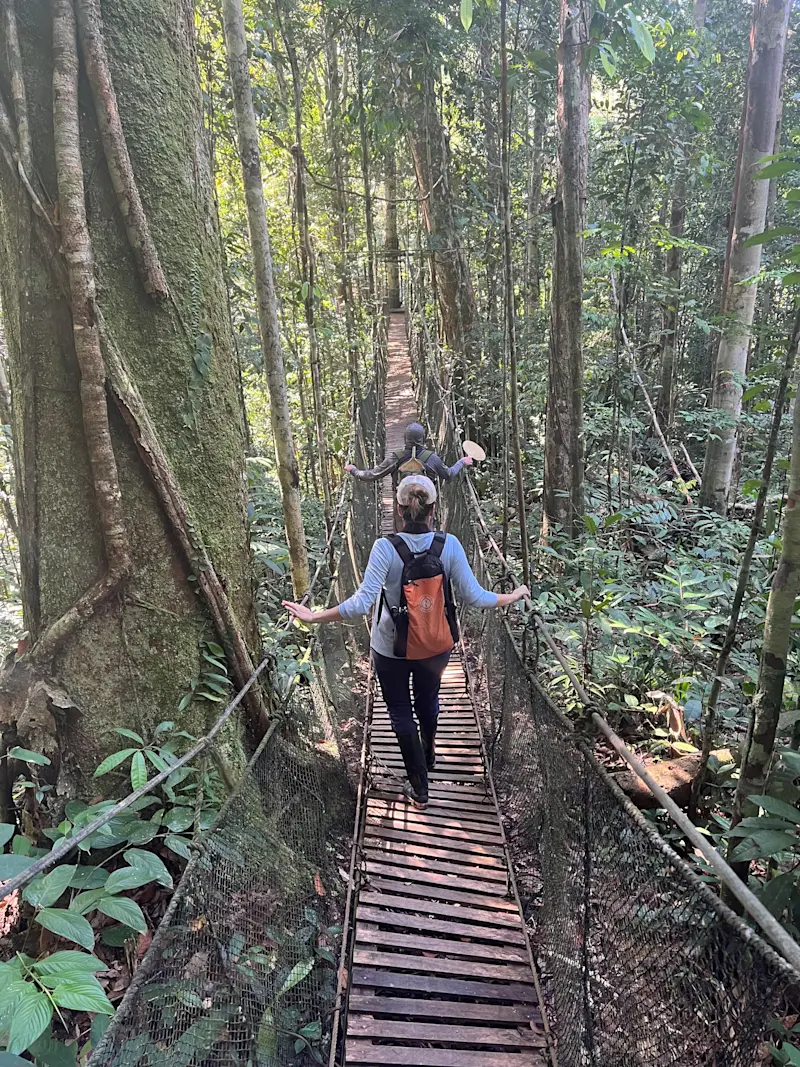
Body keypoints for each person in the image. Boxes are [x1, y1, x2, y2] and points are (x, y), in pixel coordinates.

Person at [282, 475, 528, 810]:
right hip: (436, 644)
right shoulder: (449, 545)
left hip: (391, 647)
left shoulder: (385, 548)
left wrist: (314, 616)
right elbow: (475, 596)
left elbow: (359, 604)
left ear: (399, 510)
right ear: (433, 509)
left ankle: (420, 787)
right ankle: (428, 752)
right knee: (428, 699)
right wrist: (512, 596)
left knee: (399, 712)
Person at [344, 422, 473, 485]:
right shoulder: (432, 458)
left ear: (405, 438)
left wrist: (354, 470)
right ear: (423, 438)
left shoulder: (396, 457)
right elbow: (449, 475)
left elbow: (372, 475)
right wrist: (461, 462)